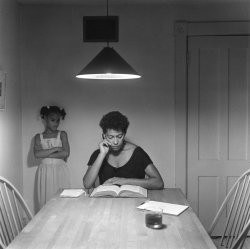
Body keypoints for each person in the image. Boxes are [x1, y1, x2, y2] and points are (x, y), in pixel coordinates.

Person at [83, 111, 164, 190]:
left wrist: (124, 181)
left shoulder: (137, 152)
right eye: (110, 137)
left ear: (124, 134)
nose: (115, 142)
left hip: (134, 201)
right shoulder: (99, 154)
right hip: (107, 201)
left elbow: (159, 183)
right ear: (104, 136)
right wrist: (102, 155)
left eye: (119, 136)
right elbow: (87, 184)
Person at [34, 105, 71, 208]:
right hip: (45, 172)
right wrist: (55, 149)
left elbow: (66, 153)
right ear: (45, 119)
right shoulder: (38, 137)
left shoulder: (62, 134)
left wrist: (45, 154)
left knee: (62, 199)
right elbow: (36, 154)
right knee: (46, 199)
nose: (56, 123)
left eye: (58, 120)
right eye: (52, 120)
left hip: (60, 170)